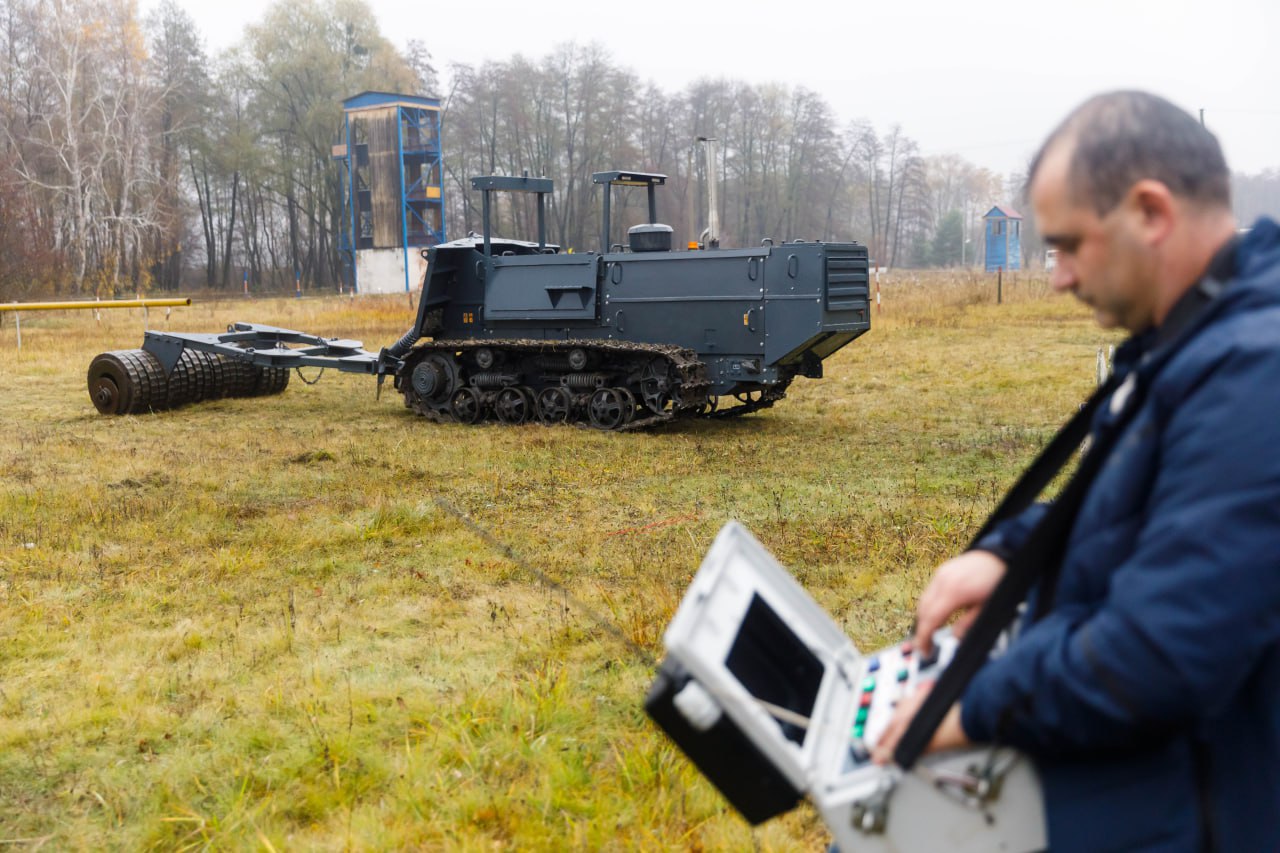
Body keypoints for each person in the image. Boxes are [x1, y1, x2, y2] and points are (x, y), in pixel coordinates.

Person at [871, 91, 1280, 852]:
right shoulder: (1196, 335)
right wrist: (1009, 554)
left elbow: (1156, 655)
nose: (1056, 276)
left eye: (1067, 245)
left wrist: (964, 707)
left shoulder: (1256, 369)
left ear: (1151, 212)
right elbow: (1143, 507)